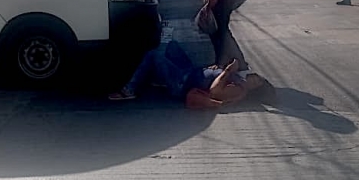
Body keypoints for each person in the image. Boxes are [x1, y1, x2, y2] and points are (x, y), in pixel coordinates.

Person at [108, 40, 266, 109]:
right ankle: (161, 78)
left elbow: (215, 91)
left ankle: (129, 90)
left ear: (255, 89)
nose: (255, 76)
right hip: (190, 73)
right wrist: (216, 69)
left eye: (258, 81)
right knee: (172, 46)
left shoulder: (240, 90)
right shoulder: (240, 80)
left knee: (154, 55)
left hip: (182, 84)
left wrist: (227, 71)